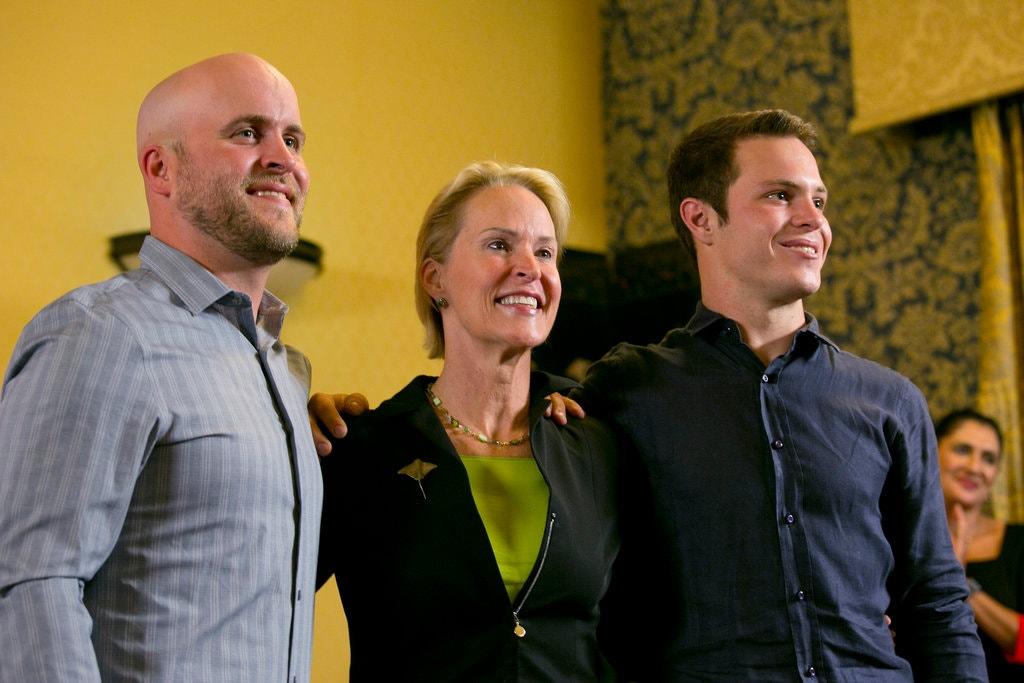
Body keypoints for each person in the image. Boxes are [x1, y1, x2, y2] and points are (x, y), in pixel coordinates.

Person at [573, 110, 986, 680]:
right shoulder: (626, 390)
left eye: (819, 200)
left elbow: (937, 603)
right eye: (780, 195)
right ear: (701, 219)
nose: (812, 219)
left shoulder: (891, 401)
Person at [0, 54, 321, 682]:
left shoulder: (281, 369)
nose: (282, 158)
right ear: (162, 169)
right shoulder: (99, 334)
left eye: (293, 138)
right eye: (247, 133)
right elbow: (27, 587)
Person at [315, 161, 620, 680]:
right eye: (499, 245)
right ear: (436, 279)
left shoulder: (598, 444)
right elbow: (263, 603)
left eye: (545, 252)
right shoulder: (360, 447)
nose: (530, 267)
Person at [938, 408, 1024, 680]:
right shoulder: (894, 535)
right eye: (963, 450)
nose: (975, 467)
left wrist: (962, 583)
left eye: (988, 458)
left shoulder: (1018, 542)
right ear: (931, 452)